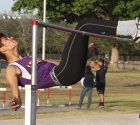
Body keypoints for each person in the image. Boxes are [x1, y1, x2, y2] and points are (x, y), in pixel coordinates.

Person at [0, 17, 139, 111]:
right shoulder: (12, 68)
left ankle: (134, 29)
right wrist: (17, 99)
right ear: (2, 49)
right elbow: (14, 88)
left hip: (68, 72)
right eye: (6, 39)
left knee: (85, 29)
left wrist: (85, 55)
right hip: (62, 75)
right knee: (84, 25)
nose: (11, 38)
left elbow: (62, 63)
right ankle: (134, 29)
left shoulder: (29, 58)